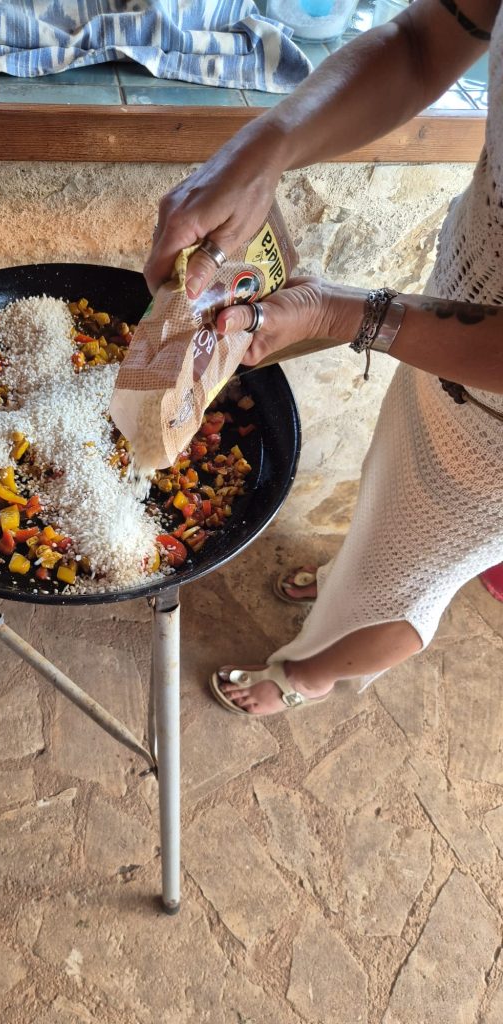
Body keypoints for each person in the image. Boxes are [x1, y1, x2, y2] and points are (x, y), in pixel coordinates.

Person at [144, 0, 503, 716]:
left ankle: (309, 674)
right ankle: (345, 584)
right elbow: (424, 41)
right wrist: (262, 150)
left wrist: (346, 314)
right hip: (455, 330)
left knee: (413, 579)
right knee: (385, 504)